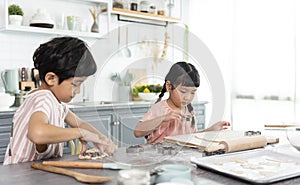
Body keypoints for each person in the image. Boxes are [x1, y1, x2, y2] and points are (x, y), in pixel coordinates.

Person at [3, 37, 117, 165]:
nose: (78, 91)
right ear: (51, 78)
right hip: (20, 176)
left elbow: (79, 123)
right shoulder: (43, 99)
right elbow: (37, 133)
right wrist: (80, 133)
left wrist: (102, 140)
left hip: (34, 174)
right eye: (75, 84)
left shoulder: (55, 103)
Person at [134, 61, 230, 144]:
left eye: (193, 92)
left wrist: (210, 131)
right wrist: (164, 118)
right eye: (183, 91)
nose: (188, 97)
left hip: (182, 159)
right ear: (169, 86)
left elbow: (191, 138)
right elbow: (137, 132)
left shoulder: (189, 111)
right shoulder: (160, 108)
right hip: (158, 159)